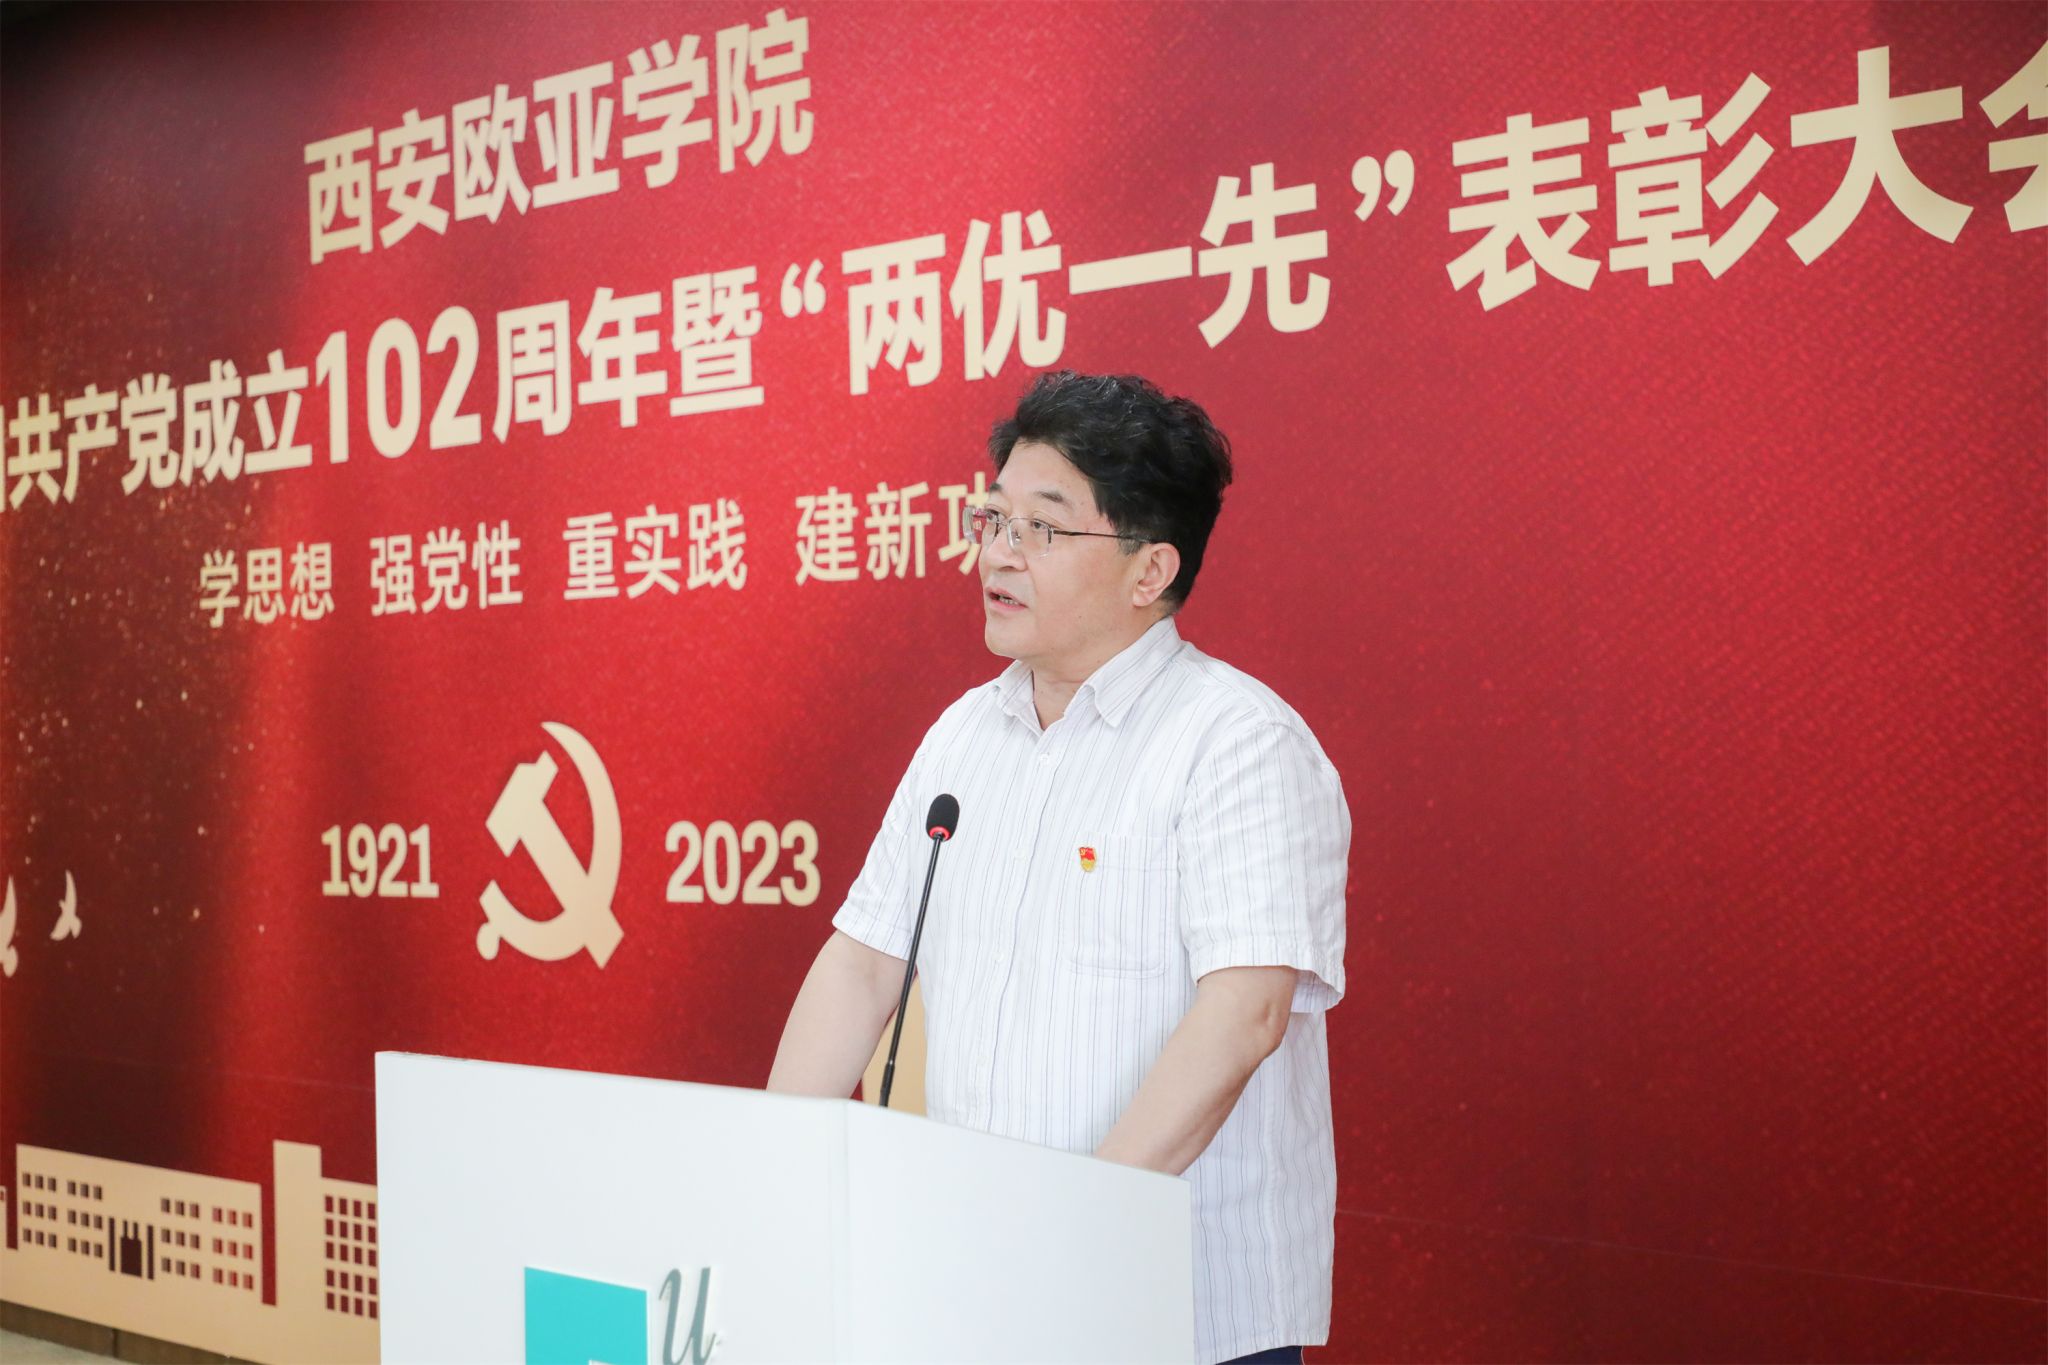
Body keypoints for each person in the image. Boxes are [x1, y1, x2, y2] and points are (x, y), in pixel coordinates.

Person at [767, 370, 1350, 1365]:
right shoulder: (964, 735)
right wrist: (770, 1171)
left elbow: (1244, 1013)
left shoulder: (1236, 742)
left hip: (1182, 1313)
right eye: (993, 518)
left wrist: (1076, 1235)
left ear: (1148, 569)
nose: (997, 552)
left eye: (1042, 528)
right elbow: (863, 964)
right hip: (981, 1291)